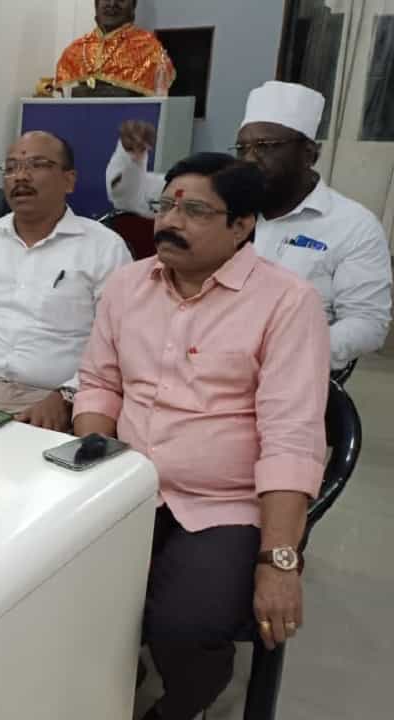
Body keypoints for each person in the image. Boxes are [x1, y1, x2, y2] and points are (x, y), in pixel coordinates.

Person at [75, 152, 329, 720]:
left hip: (222, 504)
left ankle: (181, 703)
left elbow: (291, 438)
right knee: (46, 587)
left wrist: (279, 560)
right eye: (165, 206)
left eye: (194, 211)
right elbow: (99, 385)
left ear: (242, 226)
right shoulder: (127, 285)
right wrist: (95, 460)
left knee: (185, 627)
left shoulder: (287, 302)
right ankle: (112, 677)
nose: (169, 222)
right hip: (126, 483)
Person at [106, 81, 392, 370]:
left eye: (266, 147)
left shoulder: (352, 225)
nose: (251, 158)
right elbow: (131, 197)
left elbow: (367, 323)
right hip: (186, 356)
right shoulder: (218, 201)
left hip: (289, 370)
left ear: (309, 153)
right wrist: (131, 157)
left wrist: (287, 352)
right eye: (243, 148)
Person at [0, 132, 131, 429]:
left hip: (50, 399)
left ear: (69, 180)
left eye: (37, 165)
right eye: (11, 167)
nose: (21, 176)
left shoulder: (104, 247)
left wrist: (68, 395)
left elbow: (115, 341)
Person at [55, 0, 175, 98]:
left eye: (121, 0)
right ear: (96, 4)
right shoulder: (75, 50)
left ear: (133, 6)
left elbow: (160, 106)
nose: (112, 4)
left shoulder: (150, 49)